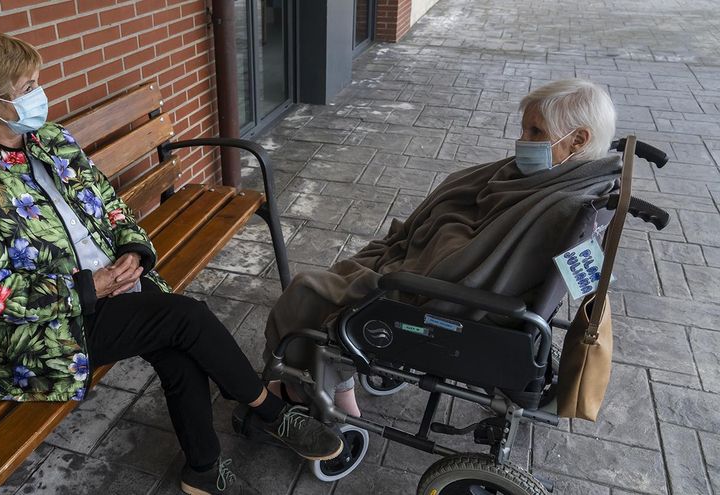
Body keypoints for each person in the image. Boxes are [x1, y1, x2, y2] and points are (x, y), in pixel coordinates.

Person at [0, 33, 342, 495]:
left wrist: (132, 250)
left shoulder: (50, 139)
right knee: (187, 319)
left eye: (36, 83)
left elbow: (110, 204)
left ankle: (204, 470)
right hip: (46, 329)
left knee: (179, 346)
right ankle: (268, 411)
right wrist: (92, 287)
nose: (38, 95)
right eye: (26, 88)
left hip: (110, 285)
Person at [263, 79, 619, 417]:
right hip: (457, 275)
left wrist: (434, 240)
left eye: (536, 132)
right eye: (524, 129)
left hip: (451, 304)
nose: (521, 142)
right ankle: (329, 381)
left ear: (578, 140)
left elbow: (470, 273)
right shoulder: (581, 186)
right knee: (353, 270)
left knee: (307, 290)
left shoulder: (560, 210)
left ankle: (315, 392)